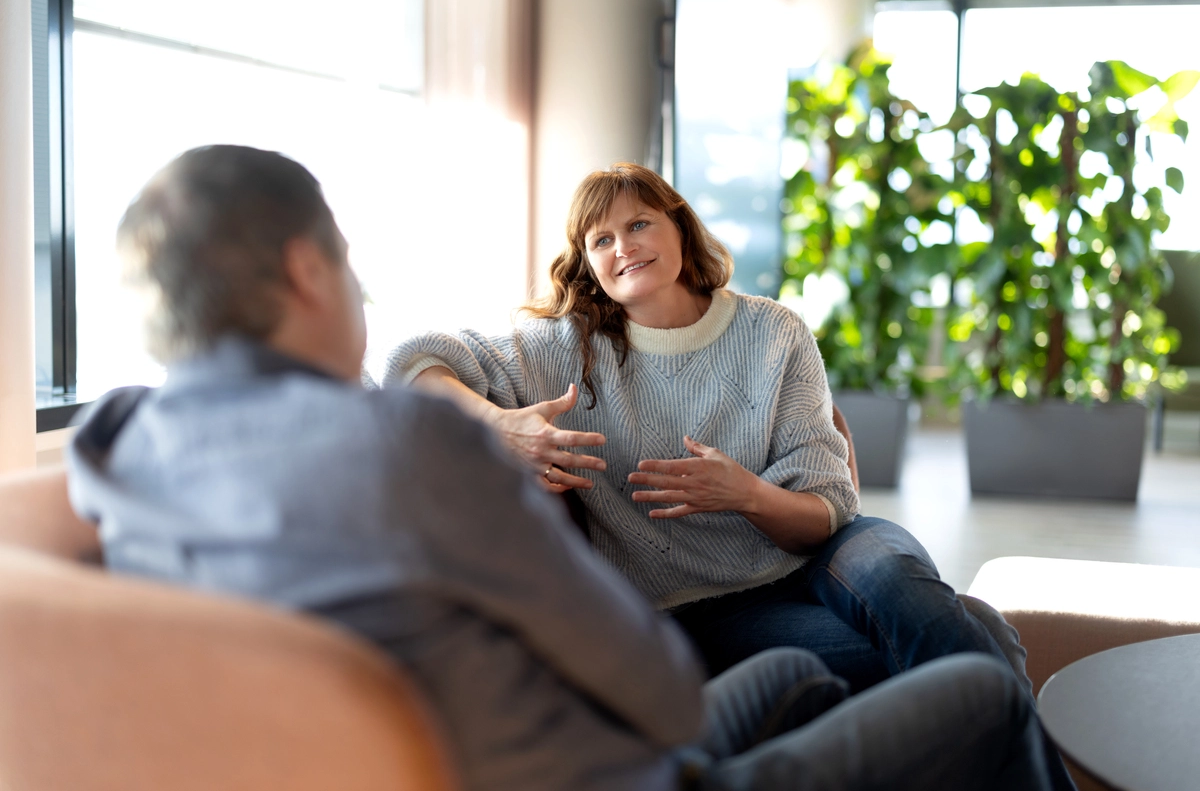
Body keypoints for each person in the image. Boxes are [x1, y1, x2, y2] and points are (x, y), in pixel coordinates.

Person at [12, 144, 1066, 791]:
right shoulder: (416, 449)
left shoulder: (117, 452)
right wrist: (490, 428)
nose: (362, 294)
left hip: (694, 635)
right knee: (977, 686)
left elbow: (823, 498)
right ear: (303, 269)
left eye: (637, 226)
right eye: (346, 262)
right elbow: (654, 688)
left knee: (812, 656)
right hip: (625, 769)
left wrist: (751, 498)